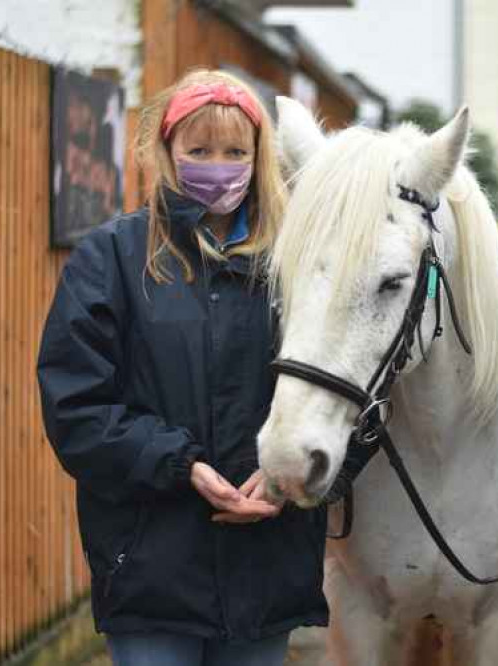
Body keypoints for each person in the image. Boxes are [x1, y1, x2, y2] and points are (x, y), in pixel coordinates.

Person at [37, 70, 328, 666]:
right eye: (199, 150)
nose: (217, 166)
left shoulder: (295, 262)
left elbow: (348, 390)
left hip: (265, 562)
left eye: (234, 152)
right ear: (167, 151)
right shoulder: (112, 258)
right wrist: (182, 465)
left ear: (258, 157)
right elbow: (77, 409)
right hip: (151, 564)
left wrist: (283, 479)